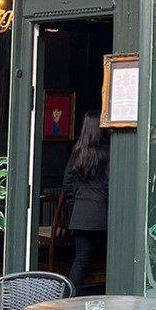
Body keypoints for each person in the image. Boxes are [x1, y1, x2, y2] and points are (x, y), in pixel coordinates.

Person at [63, 109, 110, 293]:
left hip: (81, 215)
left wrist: (75, 204)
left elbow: (67, 183)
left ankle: (69, 298)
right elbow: (110, 184)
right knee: (110, 260)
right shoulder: (108, 153)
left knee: (81, 260)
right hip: (103, 215)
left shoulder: (77, 152)